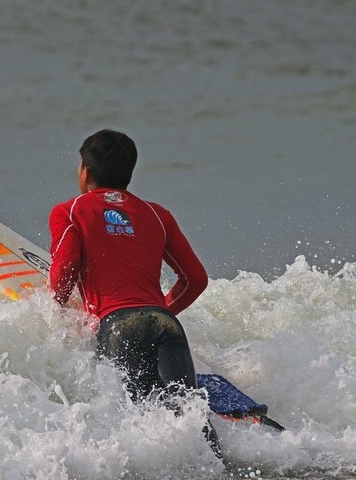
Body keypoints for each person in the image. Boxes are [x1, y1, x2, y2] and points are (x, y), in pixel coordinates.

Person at [49, 129, 225, 461]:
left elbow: (65, 270)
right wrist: (160, 309)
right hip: (166, 324)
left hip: (117, 327)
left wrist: (57, 313)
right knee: (193, 424)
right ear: (129, 173)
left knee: (136, 428)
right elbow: (195, 279)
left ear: (85, 171)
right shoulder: (159, 215)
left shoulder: (69, 212)